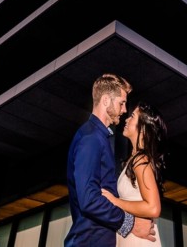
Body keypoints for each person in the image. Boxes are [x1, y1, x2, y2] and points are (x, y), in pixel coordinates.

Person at [65, 73, 156, 246]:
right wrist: (130, 224)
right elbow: (89, 199)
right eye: (122, 103)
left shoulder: (98, 137)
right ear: (106, 100)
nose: (124, 110)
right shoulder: (91, 138)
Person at [102, 101, 168, 246]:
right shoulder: (135, 160)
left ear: (143, 129)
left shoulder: (140, 160)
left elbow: (153, 208)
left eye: (132, 116)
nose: (126, 119)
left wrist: (114, 201)